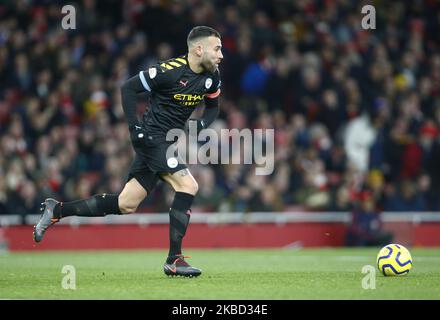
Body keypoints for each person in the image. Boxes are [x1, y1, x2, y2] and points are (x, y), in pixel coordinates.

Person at [33, 26, 224, 278]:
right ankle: (174, 259)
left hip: (166, 142)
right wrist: (135, 129)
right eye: (217, 48)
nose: (221, 55)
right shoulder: (169, 71)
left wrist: (201, 124)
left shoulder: (212, 76)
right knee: (188, 186)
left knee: (126, 203)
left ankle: (56, 210)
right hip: (152, 139)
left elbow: (213, 108)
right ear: (199, 49)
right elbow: (128, 88)